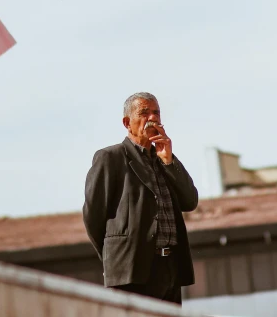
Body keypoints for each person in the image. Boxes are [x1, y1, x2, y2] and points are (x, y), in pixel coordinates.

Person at [83, 92, 199, 304]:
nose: (152, 118)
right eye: (144, 113)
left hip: (170, 267)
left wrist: (169, 160)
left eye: (156, 113)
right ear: (127, 122)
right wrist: (116, 259)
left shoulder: (165, 159)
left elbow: (190, 201)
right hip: (131, 271)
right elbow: (93, 216)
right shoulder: (111, 158)